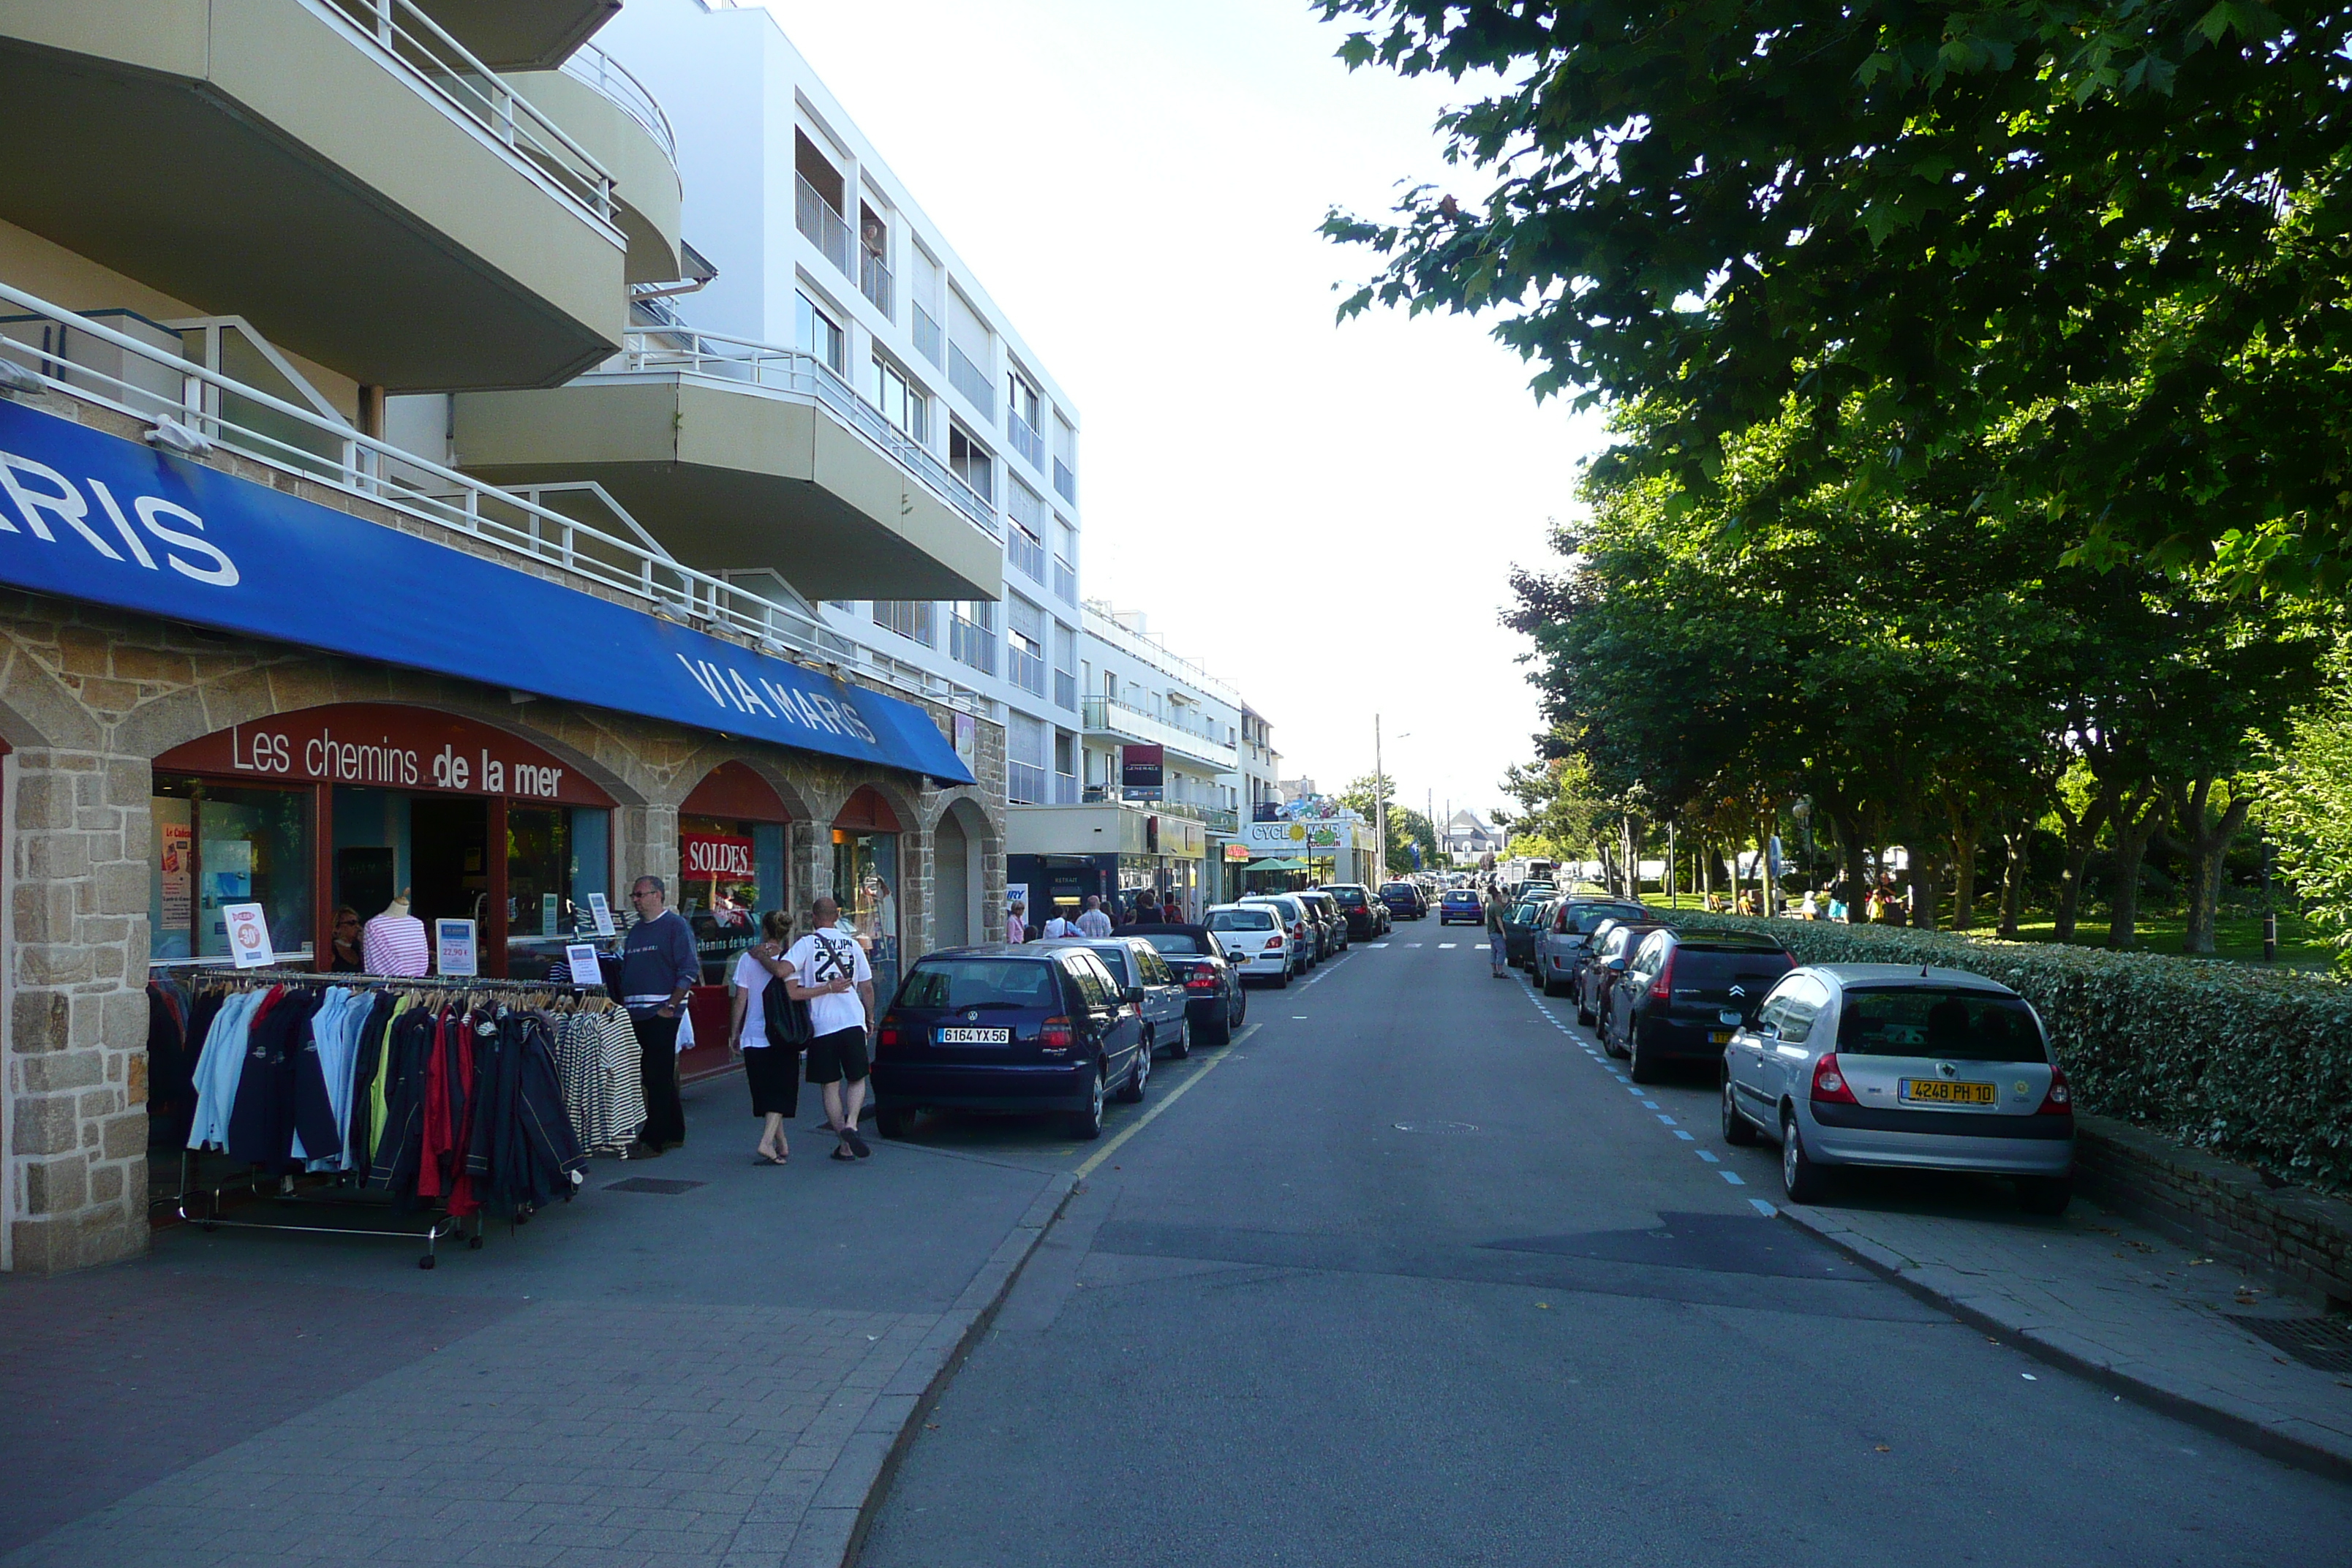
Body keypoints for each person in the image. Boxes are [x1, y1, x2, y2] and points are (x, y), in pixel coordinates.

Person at [783, 896, 876, 1161]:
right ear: (836, 916)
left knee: (830, 1085)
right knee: (857, 1078)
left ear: (813, 917)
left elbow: (786, 973)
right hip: (851, 1020)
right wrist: (870, 1018)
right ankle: (853, 1124)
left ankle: (844, 1143)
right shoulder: (853, 944)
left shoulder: (806, 945)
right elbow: (867, 987)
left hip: (822, 1025)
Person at [619, 875, 698, 1154]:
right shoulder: (637, 931)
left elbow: (688, 970)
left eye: (640, 895)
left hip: (662, 1012)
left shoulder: (675, 926)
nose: (636, 901)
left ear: (658, 895)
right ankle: (675, 1131)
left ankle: (654, 1138)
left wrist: (671, 1006)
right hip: (636, 1012)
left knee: (656, 1075)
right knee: (658, 1074)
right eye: (634, 896)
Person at [731, 910, 798, 1165]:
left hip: (754, 1033)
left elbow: (741, 998)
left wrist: (734, 1031)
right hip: (784, 1033)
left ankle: (780, 1143)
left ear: (765, 930)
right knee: (780, 1090)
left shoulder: (748, 959)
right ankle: (768, 1142)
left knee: (766, 1091)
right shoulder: (791, 959)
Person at [327, 906, 363, 972]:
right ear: (336, 928)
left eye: (358, 923)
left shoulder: (357, 949)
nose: (358, 927)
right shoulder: (331, 950)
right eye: (352, 923)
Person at [1485, 885, 1509, 978]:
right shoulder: (1497, 907)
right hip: (1497, 932)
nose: (1501, 898)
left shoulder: (1491, 906)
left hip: (1491, 932)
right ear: (1496, 898)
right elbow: (1499, 920)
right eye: (1500, 896)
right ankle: (1500, 971)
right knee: (1501, 951)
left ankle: (1494, 970)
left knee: (1493, 951)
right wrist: (1503, 932)